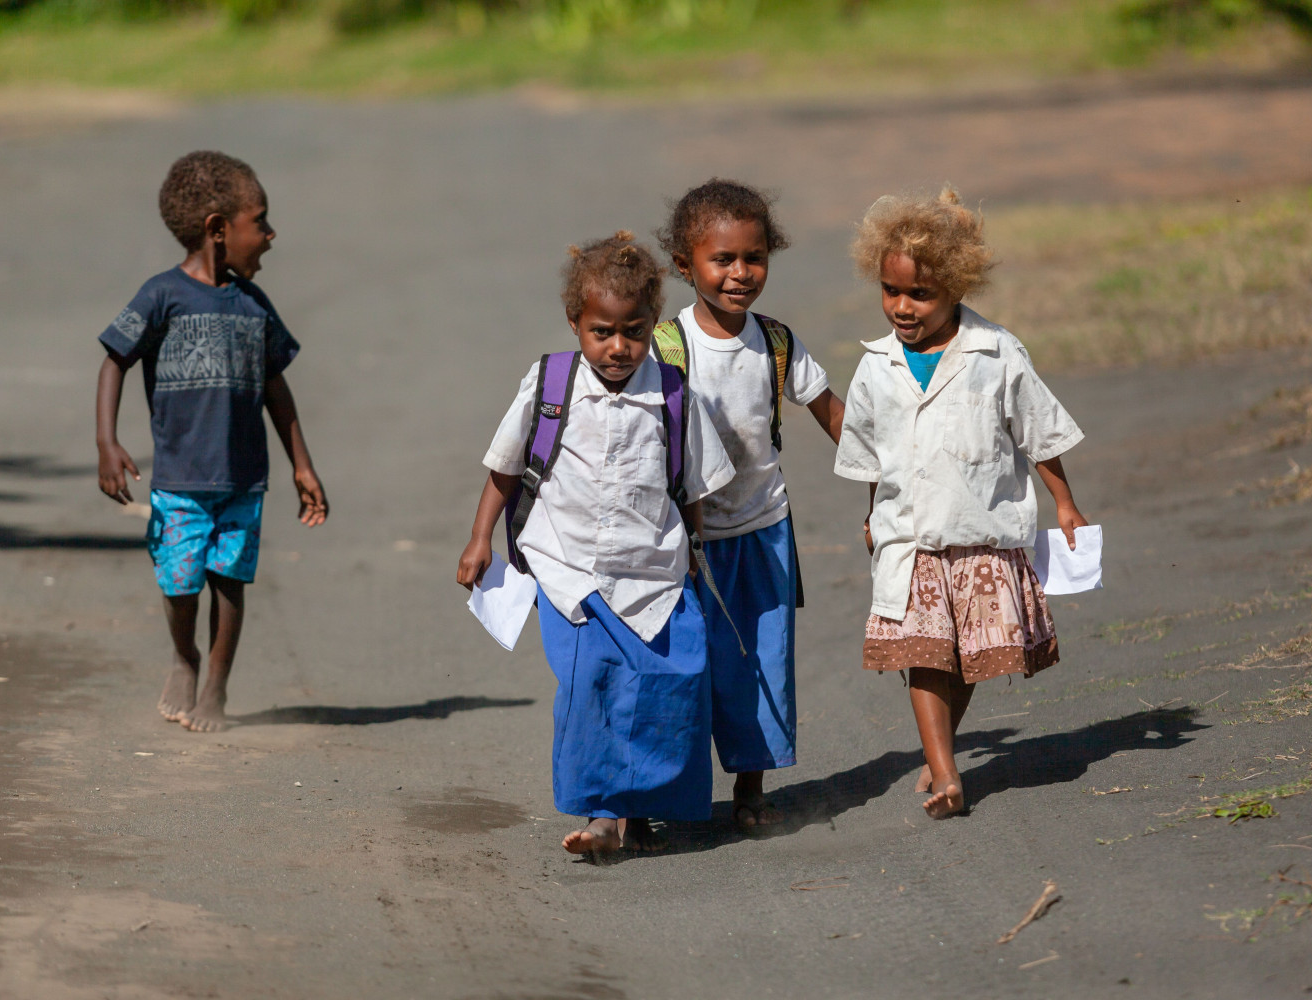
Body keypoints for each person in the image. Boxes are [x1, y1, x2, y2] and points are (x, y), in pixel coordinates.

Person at [457, 232, 734, 855]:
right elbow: (504, 468)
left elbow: (691, 486)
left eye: (632, 331)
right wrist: (479, 539)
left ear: (652, 324)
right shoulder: (550, 383)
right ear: (575, 323)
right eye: (601, 331)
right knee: (591, 687)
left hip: (654, 570)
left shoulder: (671, 394)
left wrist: (695, 548)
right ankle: (603, 814)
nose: (617, 347)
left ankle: (642, 810)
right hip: (569, 570)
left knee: (669, 684)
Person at [834, 186, 1089, 819]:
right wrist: (872, 515)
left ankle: (937, 749)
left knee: (968, 656)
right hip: (910, 537)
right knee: (923, 652)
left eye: (920, 294)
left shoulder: (997, 354)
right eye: (891, 291)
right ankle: (947, 773)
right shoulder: (874, 368)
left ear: (956, 290)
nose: (902, 306)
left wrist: (1066, 504)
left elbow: (1039, 434)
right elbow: (873, 455)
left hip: (981, 531)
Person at [95, 150, 328, 734]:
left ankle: (217, 687)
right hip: (179, 482)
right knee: (180, 584)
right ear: (218, 230)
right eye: (261, 221)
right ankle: (185, 657)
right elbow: (114, 361)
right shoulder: (161, 296)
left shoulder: (254, 306)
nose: (271, 235)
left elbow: (277, 387)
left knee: (230, 581)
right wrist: (107, 442)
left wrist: (302, 465)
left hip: (245, 479)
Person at [653, 179, 845, 831]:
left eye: (754, 257)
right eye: (723, 259)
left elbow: (831, 411)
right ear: (686, 266)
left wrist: (890, 471)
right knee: (682, 663)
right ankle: (665, 793)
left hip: (764, 530)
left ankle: (749, 790)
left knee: (760, 658)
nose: (741, 273)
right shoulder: (663, 348)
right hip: (684, 542)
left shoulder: (776, 343)